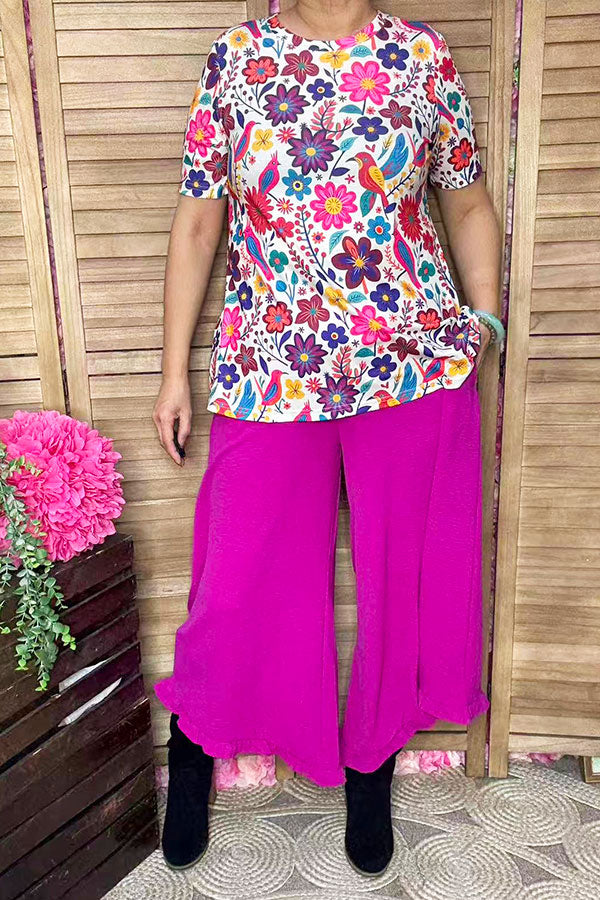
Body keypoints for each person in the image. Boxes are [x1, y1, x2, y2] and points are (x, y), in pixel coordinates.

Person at [152, 0, 503, 877]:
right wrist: (172, 371)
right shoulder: (238, 59)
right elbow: (198, 221)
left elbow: (465, 202)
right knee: (238, 576)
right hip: (272, 365)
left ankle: (370, 761)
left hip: (410, 364)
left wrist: (485, 318)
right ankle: (194, 743)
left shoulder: (421, 56)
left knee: (399, 577)